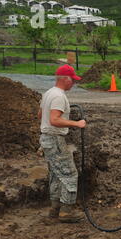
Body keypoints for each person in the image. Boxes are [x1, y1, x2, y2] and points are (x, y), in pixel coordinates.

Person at [38, 65, 86, 223]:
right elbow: (55, 119)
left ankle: (54, 209)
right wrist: (76, 124)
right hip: (54, 139)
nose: (73, 83)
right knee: (70, 174)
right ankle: (67, 211)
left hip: (46, 138)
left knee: (56, 174)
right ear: (65, 79)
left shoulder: (47, 94)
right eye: (72, 80)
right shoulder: (59, 96)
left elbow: (41, 115)